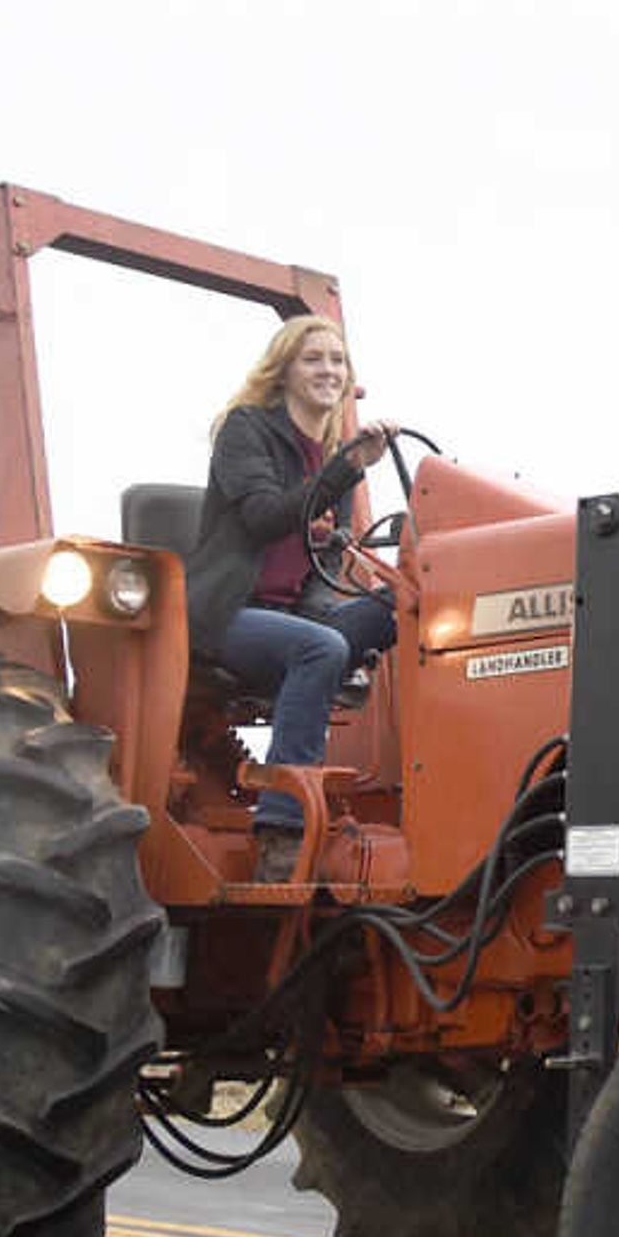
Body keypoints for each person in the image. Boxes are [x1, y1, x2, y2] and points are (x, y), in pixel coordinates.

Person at [183, 313, 403, 883]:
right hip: (227, 615)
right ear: (283, 371)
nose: (328, 369)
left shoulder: (330, 457)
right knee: (320, 649)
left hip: (292, 617)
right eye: (313, 359)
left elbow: (325, 561)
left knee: (402, 603)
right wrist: (344, 470)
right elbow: (263, 518)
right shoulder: (246, 430)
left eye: (337, 360)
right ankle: (281, 832)